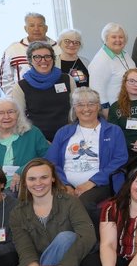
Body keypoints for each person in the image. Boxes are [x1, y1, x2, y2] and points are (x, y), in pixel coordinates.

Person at [46, 88, 128, 226]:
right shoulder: (63, 132)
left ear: (98, 106)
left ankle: (93, 243)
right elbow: (51, 161)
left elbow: (120, 159)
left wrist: (92, 182)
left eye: (91, 104)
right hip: (65, 184)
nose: (86, 109)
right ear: (74, 108)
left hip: (100, 184)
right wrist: (65, 185)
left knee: (83, 203)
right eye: (80, 105)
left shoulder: (113, 131)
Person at [8, 41, 77, 141]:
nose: (43, 60)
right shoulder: (21, 86)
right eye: (37, 57)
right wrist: (40, 141)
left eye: (47, 56)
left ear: (53, 59)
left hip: (68, 136)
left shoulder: (67, 79)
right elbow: (20, 118)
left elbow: (75, 109)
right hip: (37, 138)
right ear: (30, 61)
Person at [0, 12, 60, 94]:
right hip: (23, 98)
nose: (36, 29)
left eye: (40, 25)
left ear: (46, 28)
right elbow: (5, 79)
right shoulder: (13, 49)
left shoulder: (59, 48)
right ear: (25, 28)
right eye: (32, 25)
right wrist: (15, 98)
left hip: (55, 96)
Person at [89, 23, 137, 111]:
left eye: (121, 37)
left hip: (128, 106)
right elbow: (97, 90)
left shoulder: (124, 54)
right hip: (113, 110)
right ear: (105, 39)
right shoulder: (101, 60)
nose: (118, 40)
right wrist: (106, 112)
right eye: (114, 37)